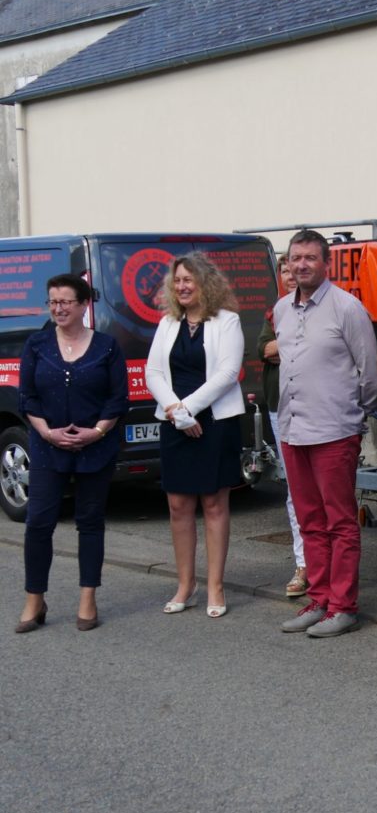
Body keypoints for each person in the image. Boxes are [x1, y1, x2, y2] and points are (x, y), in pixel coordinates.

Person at [275, 229, 377, 638]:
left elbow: (370, 374)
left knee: (340, 522)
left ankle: (343, 606)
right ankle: (318, 599)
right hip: (293, 428)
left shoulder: (347, 308)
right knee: (309, 521)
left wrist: (352, 414)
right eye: (295, 258)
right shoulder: (283, 308)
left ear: (326, 263)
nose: (301, 265)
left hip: (334, 430)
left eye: (310, 258)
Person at [16, 274, 129, 632]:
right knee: (38, 523)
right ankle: (35, 599)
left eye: (66, 301)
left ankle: (87, 597)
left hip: (95, 448)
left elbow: (118, 398)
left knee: (90, 522)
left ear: (83, 305)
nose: (58, 308)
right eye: (52, 301)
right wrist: (46, 431)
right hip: (47, 447)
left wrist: (96, 432)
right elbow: (27, 397)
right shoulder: (36, 345)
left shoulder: (107, 347)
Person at [145, 253, 244, 619]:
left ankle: (215, 585)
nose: (183, 286)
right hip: (175, 423)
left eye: (189, 280)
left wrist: (189, 410)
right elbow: (153, 372)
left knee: (214, 505)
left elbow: (228, 372)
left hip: (214, 421)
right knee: (178, 507)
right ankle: (186, 584)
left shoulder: (227, 321)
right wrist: (176, 412)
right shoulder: (167, 323)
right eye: (178, 281)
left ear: (206, 283)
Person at [257, 255, 307, 598]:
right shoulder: (275, 311)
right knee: (295, 491)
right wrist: (294, 343)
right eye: (284, 270)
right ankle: (304, 563)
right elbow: (265, 349)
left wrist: (282, 346)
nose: (290, 275)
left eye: (295, 269)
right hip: (280, 409)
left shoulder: (327, 307)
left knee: (322, 492)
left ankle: (328, 566)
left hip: (318, 409)